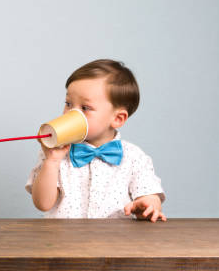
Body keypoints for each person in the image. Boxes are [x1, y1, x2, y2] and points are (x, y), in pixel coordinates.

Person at [26, 59, 166, 222]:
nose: (72, 113)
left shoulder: (134, 157)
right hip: (62, 242)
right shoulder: (54, 153)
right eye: (69, 104)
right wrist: (51, 162)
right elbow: (43, 204)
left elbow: (150, 195)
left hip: (114, 242)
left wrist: (148, 205)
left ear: (118, 118)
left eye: (85, 108)